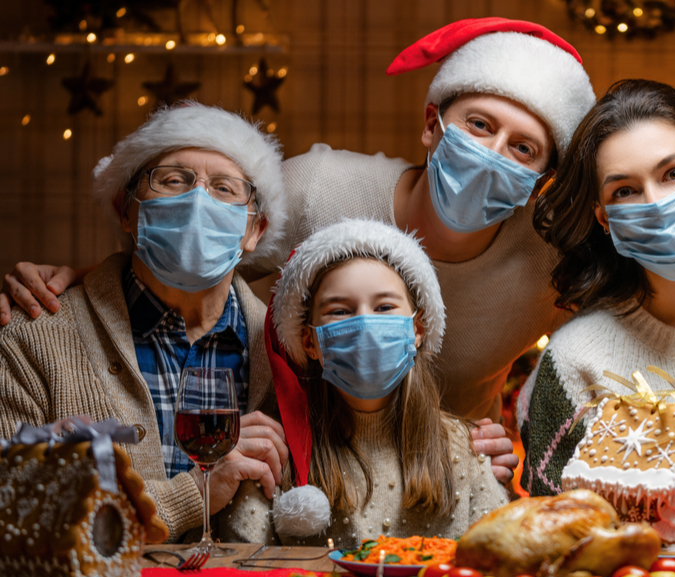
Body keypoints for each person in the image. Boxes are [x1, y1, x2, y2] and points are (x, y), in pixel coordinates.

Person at [0, 18, 599, 484]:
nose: (493, 153)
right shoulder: (318, 190)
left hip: (443, 472)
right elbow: (199, 234)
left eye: (525, 149)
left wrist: (493, 451)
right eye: (479, 125)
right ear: (431, 124)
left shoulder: (553, 258)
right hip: (308, 466)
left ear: (543, 175)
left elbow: (624, 337)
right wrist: (81, 283)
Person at [0, 103, 289, 541]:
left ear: (255, 230)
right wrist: (191, 494)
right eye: (174, 180)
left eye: (225, 188)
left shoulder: (291, 352)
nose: (198, 200)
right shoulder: (33, 338)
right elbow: (12, 516)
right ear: (125, 210)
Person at [519, 79, 675, 497]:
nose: (655, 205)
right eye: (625, 190)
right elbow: (554, 525)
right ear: (604, 218)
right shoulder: (573, 360)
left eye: (673, 173)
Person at [222, 220, 508, 545]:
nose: (365, 323)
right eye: (340, 311)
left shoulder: (462, 449)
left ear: (417, 330)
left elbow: (496, 557)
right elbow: (243, 566)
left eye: (385, 307)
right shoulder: (275, 454)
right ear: (309, 341)